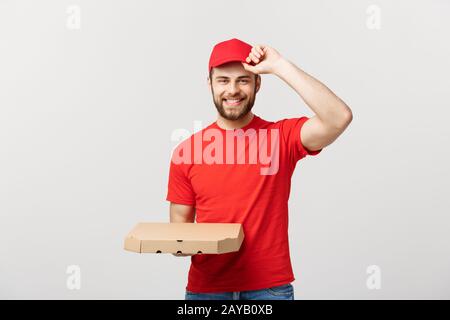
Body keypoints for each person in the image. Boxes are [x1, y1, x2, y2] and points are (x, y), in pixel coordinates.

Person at [166, 38, 353, 300]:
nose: (232, 90)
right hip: (206, 291)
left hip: (269, 290)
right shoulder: (187, 153)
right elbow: (179, 241)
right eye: (223, 80)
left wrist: (279, 65)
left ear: (258, 83)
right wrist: (198, 242)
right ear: (209, 84)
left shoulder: (280, 137)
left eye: (243, 80)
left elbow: (338, 117)